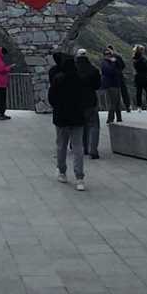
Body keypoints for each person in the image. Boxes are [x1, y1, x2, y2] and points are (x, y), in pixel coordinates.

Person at [49, 54, 87, 191]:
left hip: (61, 118)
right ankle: (79, 178)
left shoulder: (57, 79)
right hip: (77, 118)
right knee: (78, 147)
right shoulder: (80, 79)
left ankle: (62, 172)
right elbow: (85, 98)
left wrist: (58, 108)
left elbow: (51, 98)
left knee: (61, 146)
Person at [75, 49, 102, 159]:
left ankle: (83, 148)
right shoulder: (93, 70)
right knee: (94, 125)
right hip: (91, 100)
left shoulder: (73, 70)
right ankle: (93, 150)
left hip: (77, 102)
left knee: (80, 126)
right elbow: (97, 86)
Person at [101, 47, 125, 124]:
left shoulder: (113, 61)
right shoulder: (104, 63)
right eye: (107, 54)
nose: (108, 55)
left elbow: (122, 66)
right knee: (113, 102)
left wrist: (117, 58)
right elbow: (109, 71)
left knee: (117, 102)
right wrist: (114, 63)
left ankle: (119, 118)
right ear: (104, 55)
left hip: (116, 83)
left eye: (110, 54)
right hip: (110, 84)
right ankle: (110, 119)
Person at [133, 46, 147, 111]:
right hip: (144, 77)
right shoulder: (143, 59)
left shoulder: (134, 58)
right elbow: (146, 68)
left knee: (139, 92)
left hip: (137, 77)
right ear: (141, 51)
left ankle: (139, 107)